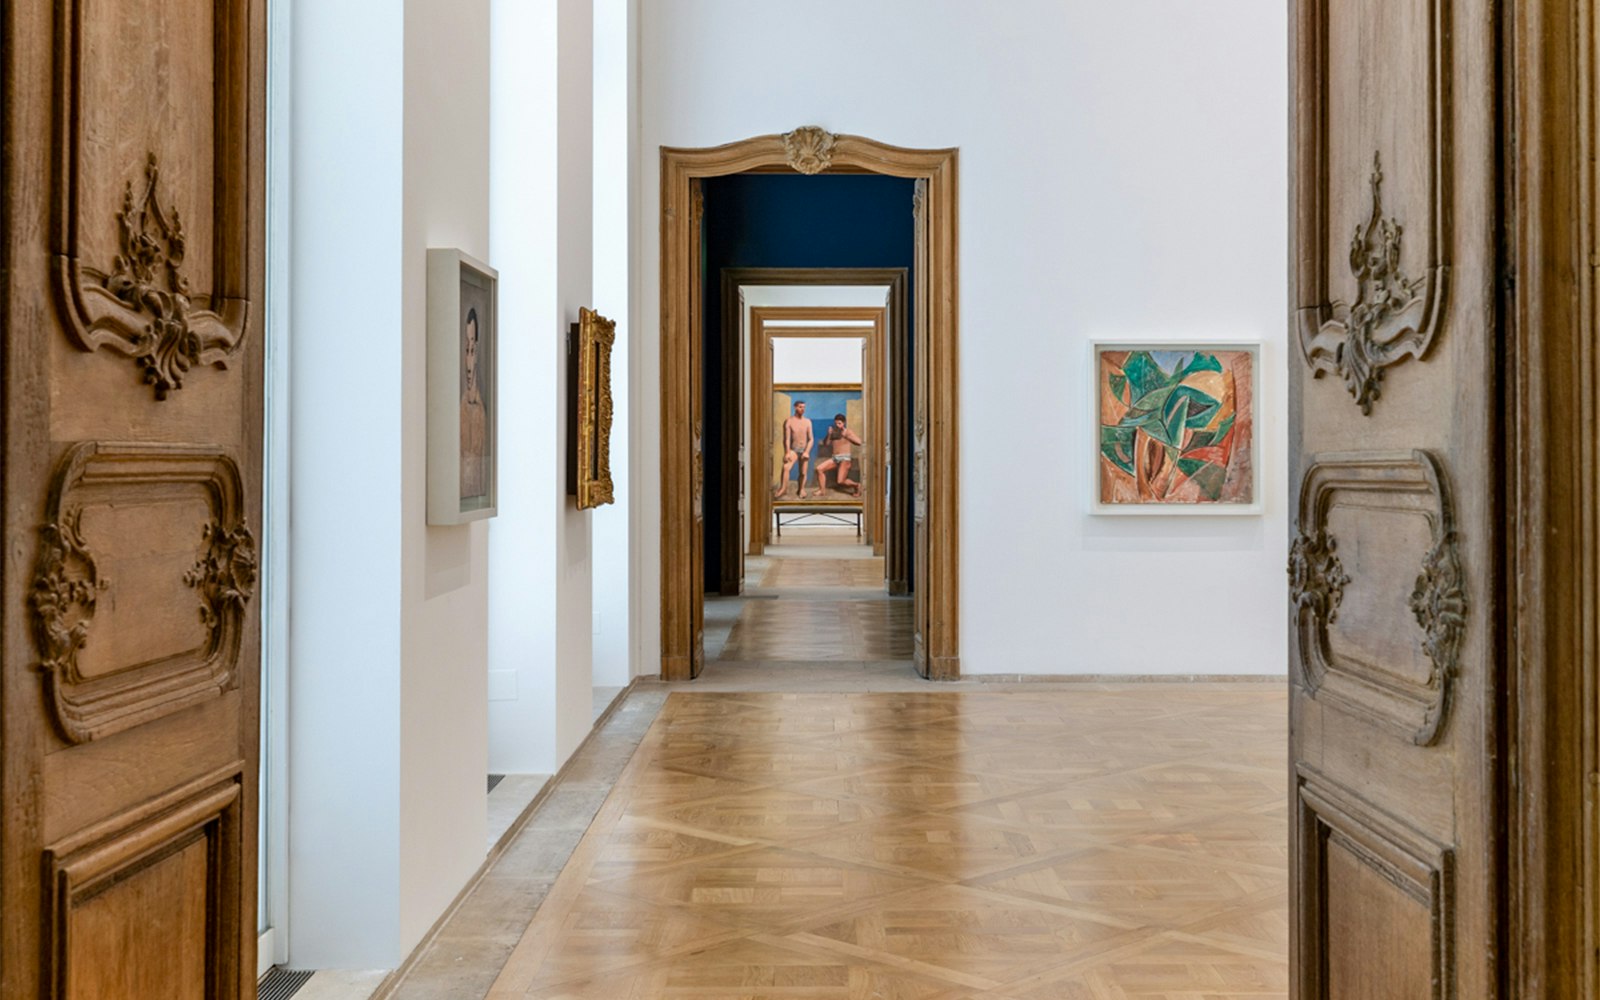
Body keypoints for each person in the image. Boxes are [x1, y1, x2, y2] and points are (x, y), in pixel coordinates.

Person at [460, 307, 489, 499]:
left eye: (472, 351)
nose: (469, 363)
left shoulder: (481, 411)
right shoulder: (460, 409)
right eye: (466, 351)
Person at [812, 414, 863, 498]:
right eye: (836, 423)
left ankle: (857, 485)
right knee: (819, 469)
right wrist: (829, 434)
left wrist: (846, 436)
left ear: (844, 423)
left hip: (845, 459)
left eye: (839, 423)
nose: (837, 425)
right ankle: (822, 490)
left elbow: (859, 442)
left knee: (840, 481)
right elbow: (826, 444)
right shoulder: (834, 432)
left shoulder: (847, 432)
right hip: (835, 459)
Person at [774, 400, 813, 500]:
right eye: (800, 407)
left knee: (803, 473)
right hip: (794, 449)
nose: (802, 409)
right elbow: (786, 439)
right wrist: (787, 452)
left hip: (804, 450)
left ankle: (801, 489)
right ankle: (783, 488)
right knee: (786, 467)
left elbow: (811, 439)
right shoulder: (789, 421)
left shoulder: (807, 421)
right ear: (795, 407)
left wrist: (807, 452)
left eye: (804, 407)